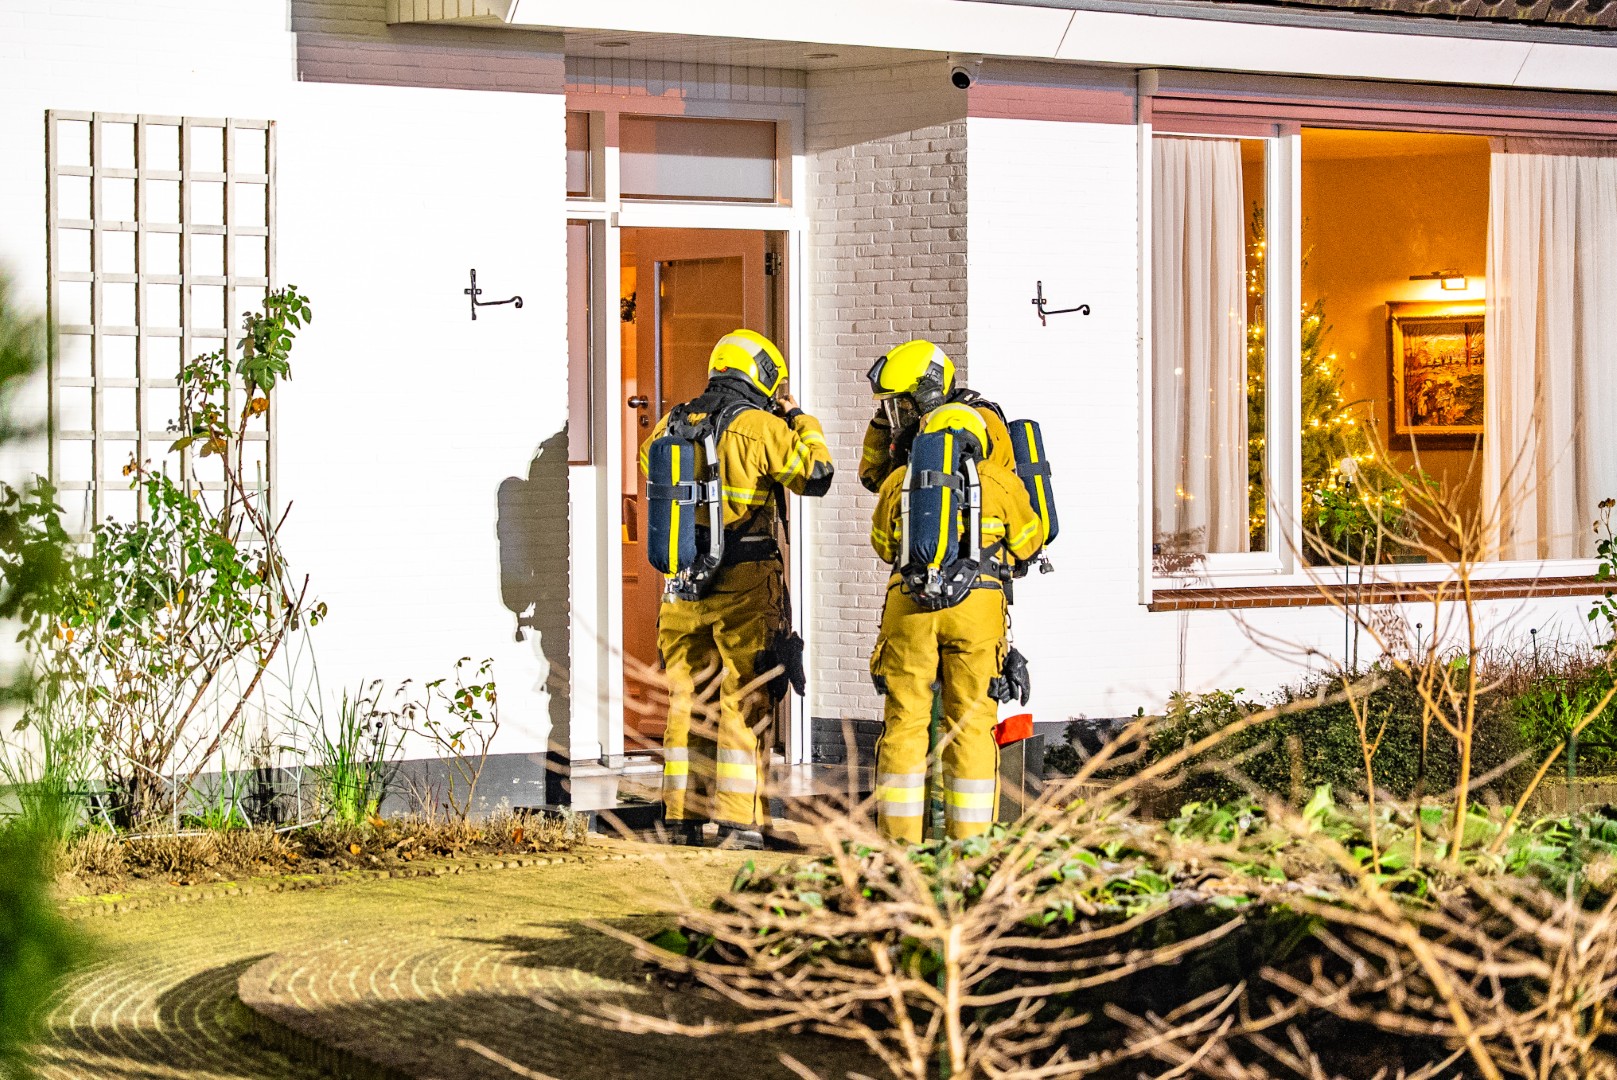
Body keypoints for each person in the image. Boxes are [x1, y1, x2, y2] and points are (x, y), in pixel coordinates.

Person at [638, 329, 833, 849]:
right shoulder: (760, 427)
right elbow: (816, 474)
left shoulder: (671, 423)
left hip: (683, 585)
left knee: (688, 697)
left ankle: (681, 816)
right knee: (744, 696)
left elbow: (651, 469)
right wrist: (799, 418)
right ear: (763, 375)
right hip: (746, 580)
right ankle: (737, 821)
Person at [868, 403, 1044, 844]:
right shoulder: (999, 480)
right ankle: (970, 846)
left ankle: (897, 845)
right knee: (970, 726)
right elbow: (1029, 543)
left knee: (904, 725)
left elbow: (883, 546)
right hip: (977, 611)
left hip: (909, 609)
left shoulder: (899, 480)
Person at [861, 339, 1017, 494]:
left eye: (903, 402)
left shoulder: (978, 420)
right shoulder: (916, 428)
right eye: (891, 404)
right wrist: (881, 424)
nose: (897, 412)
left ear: (932, 389)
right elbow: (874, 480)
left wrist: (932, 420)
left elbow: (958, 490)